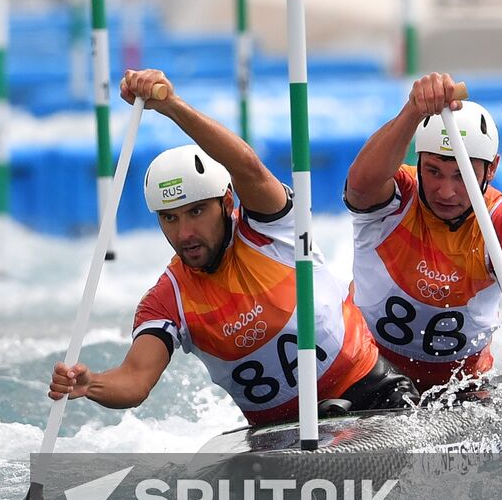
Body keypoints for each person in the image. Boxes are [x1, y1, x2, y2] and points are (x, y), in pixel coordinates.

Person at [50, 68, 418, 425]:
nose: (185, 233)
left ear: (227, 203)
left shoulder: (270, 230)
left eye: (196, 212)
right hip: (279, 432)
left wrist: (172, 105)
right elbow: (135, 379)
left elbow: (247, 167)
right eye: (170, 218)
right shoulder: (168, 299)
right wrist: (91, 384)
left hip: (374, 394)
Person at [344, 72, 502, 396]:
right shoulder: (396, 196)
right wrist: (413, 111)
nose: (446, 191)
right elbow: (359, 185)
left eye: (462, 176)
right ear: (417, 163)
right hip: (367, 370)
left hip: (462, 384)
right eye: (433, 171)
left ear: (492, 169)